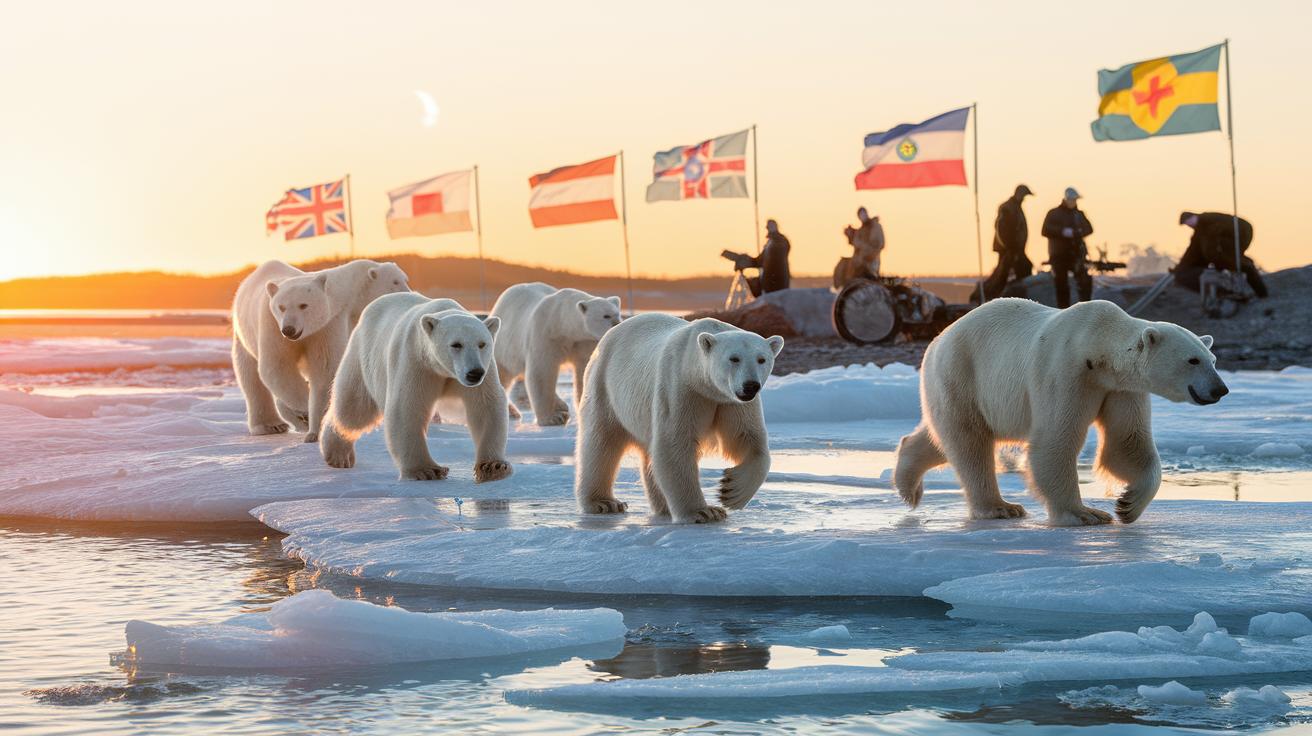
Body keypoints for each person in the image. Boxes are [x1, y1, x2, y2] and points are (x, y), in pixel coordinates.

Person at [1174, 211, 1267, 298]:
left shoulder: (1209, 223)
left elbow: (1210, 248)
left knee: (1236, 262)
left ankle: (1260, 293)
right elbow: (1193, 250)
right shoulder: (1201, 230)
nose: (1189, 225)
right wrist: (1182, 266)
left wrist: (1216, 262)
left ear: (1193, 217)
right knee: (1228, 261)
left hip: (1239, 235)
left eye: (1188, 222)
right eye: (1187, 224)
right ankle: (1253, 291)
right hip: (1233, 240)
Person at [1041, 187, 1094, 308]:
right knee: (1061, 285)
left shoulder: (1079, 215)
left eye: (1075, 200)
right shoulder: (1053, 213)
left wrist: (1078, 232)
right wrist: (1062, 232)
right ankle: (1063, 310)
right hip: (1058, 256)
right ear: (1066, 199)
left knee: (1084, 281)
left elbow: (1089, 229)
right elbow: (1045, 230)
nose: (1074, 202)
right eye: (1072, 199)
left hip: (1075, 256)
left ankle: (1085, 308)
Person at [981, 184, 1033, 300]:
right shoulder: (1007, 207)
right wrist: (1010, 247)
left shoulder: (1015, 207)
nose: (1024, 198)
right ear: (1019, 194)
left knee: (1021, 269)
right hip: (1008, 249)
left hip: (1015, 249)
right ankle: (990, 296)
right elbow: (1001, 228)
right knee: (1002, 275)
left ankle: (1015, 298)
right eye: (1024, 196)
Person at [740, 219, 791, 297]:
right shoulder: (769, 244)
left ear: (776, 227)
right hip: (768, 283)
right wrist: (743, 260)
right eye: (768, 227)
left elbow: (780, 251)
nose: (769, 228)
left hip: (779, 283)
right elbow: (759, 262)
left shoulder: (781, 241)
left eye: (771, 226)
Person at [835, 207, 884, 288]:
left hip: (870, 263)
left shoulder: (875, 227)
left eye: (863, 214)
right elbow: (857, 241)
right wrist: (851, 235)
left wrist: (863, 248)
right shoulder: (862, 229)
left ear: (866, 213)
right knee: (843, 268)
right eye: (860, 215)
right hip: (860, 262)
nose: (862, 217)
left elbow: (877, 245)